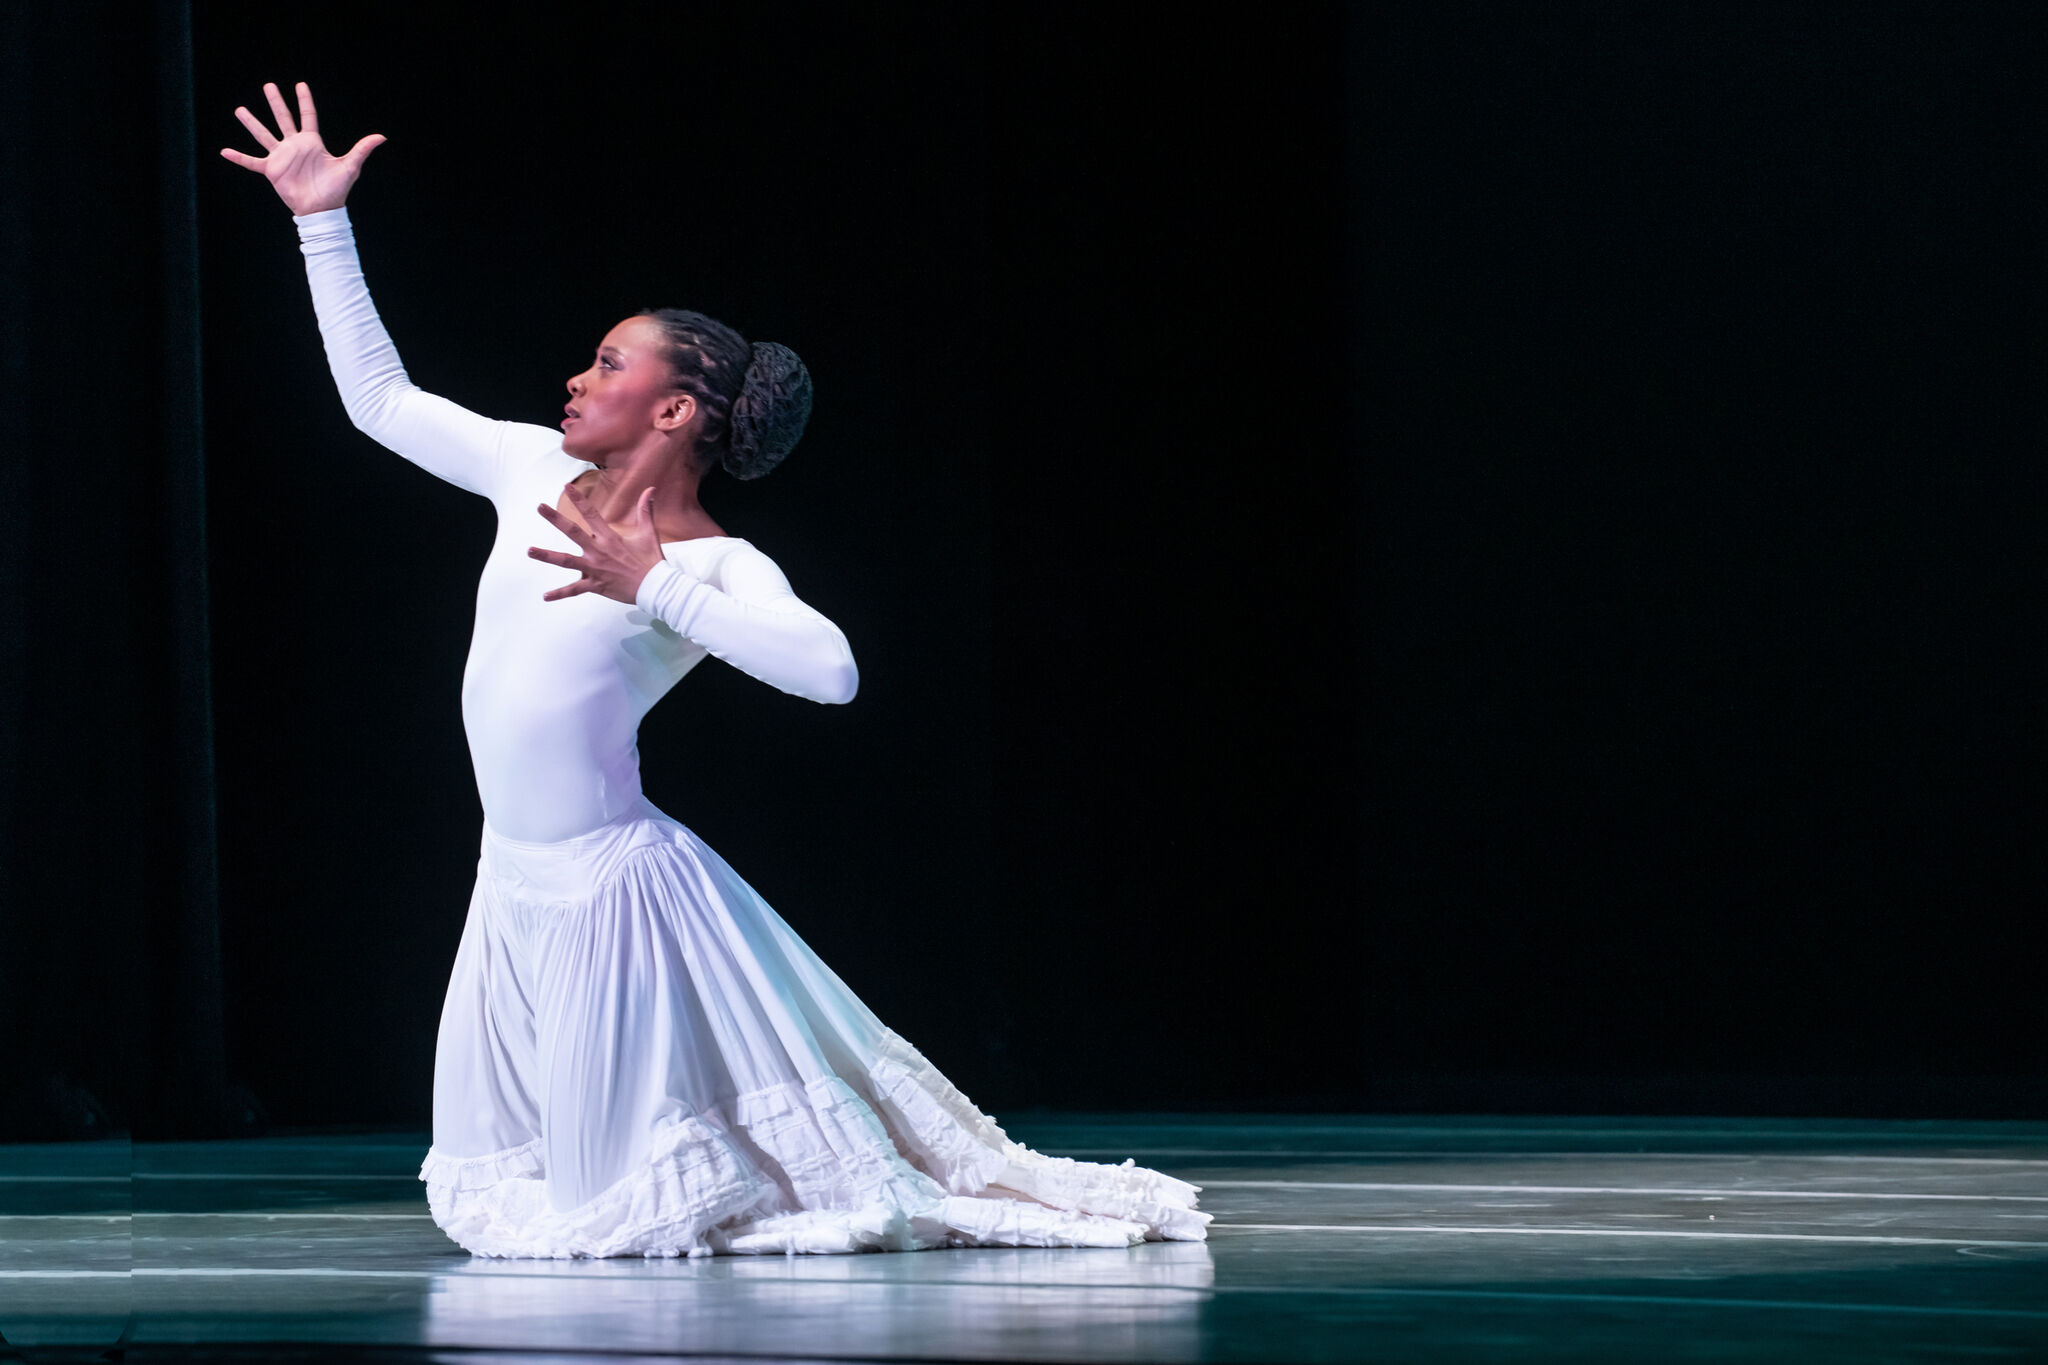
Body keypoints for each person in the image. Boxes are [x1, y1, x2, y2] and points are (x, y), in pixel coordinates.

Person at [221, 82, 1209, 1258]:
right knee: (520, 1205)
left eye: (607, 363)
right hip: (511, 886)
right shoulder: (528, 470)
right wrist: (317, 220)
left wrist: (659, 590)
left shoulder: (715, 563)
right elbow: (379, 400)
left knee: (615, 1212)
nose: (576, 381)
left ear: (675, 408)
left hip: (608, 900)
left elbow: (829, 672)